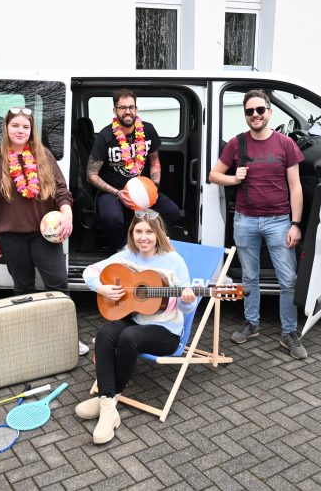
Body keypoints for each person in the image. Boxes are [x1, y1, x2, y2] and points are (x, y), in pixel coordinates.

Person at [0, 107, 88, 356]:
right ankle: (28, 338)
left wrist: (67, 214)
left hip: (44, 235)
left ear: (31, 130)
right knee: (23, 288)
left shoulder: (43, 155)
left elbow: (61, 191)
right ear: (6, 128)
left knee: (58, 285)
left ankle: (67, 338)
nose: (20, 131)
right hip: (10, 236)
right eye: (15, 125)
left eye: (25, 127)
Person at [76, 211, 196, 444]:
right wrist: (102, 288)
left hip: (166, 331)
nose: (144, 237)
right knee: (105, 333)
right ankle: (108, 405)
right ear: (132, 233)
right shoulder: (126, 256)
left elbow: (185, 308)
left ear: (158, 234)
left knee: (128, 337)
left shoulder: (174, 261)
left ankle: (107, 401)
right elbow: (89, 272)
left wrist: (187, 300)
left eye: (149, 232)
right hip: (135, 318)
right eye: (138, 231)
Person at [208, 89, 307, 359]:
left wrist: (295, 223)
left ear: (269, 112)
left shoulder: (286, 144)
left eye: (259, 110)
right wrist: (234, 179)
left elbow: (295, 187)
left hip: (279, 221)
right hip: (245, 221)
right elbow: (214, 175)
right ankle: (251, 324)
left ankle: (289, 333)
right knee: (249, 276)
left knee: (288, 279)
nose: (255, 115)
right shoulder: (236, 144)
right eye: (249, 111)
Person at [87, 88, 181, 250]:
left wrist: (154, 185)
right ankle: (122, 249)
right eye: (123, 108)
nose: (128, 112)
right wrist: (117, 193)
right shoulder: (105, 136)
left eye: (131, 107)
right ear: (115, 110)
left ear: (136, 109)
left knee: (172, 213)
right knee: (112, 219)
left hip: (143, 188)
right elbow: (91, 174)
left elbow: (155, 161)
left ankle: (150, 245)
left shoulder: (148, 130)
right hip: (113, 191)